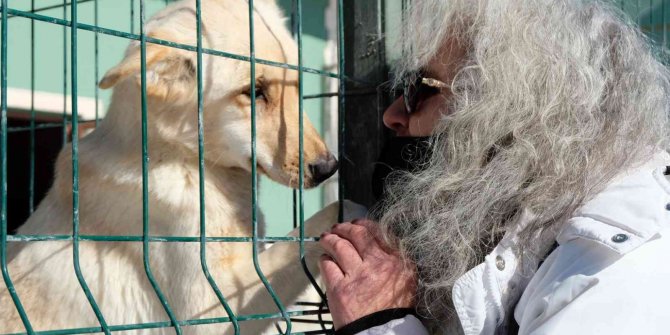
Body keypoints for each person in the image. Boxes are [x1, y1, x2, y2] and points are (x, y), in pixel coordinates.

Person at [319, 0, 670, 334]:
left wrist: (382, 323)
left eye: (417, 89)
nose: (391, 115)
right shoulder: (539, 230)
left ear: (512, 108)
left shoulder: (606, 267)